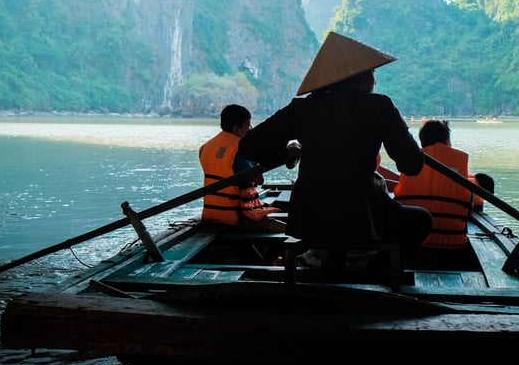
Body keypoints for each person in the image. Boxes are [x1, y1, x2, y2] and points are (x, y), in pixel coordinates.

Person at [238, 32, 432, 269]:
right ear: (357, 76)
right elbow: (411, 166)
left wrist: (284, 154)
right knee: (421, 219)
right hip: (360, 220)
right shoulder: (380, 106)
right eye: (371, 73)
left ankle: (334, 265)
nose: (374, 81)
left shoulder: (303, 108)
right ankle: (377, 269)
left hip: (308, 221)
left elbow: (249, 145)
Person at [394, 119, 474, 252]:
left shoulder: (411, 160)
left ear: (421, 141)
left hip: (413, 244)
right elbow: (473, 199)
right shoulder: (459, 160)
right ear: (447, 141)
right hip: (452, 245)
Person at [199, 104, 281, 232]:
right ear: (237, 129)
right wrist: (255, 157)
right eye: (248, 126)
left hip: (211, 213)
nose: (250, 129)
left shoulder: (206, 147)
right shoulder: (241, 148)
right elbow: (259, 180)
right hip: (237, 216)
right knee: (280, 225)